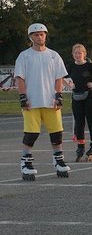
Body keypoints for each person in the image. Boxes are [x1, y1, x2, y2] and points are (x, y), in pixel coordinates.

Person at [15, 23, 70, 180]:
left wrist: (58, 95)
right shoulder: (24, 56)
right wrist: (23, 97)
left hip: (50, 101)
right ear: (31, 37)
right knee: (31, 134)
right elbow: (20, 78)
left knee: (56, 133)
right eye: (36, 34)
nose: (39, 37)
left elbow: (58, 77)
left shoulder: (54, 55)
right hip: (32, 102)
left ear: (46, 35)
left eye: (42, 34)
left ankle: (58, 161)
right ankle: (26, 163)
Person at [65, 44, 92, 162]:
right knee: (79, 122)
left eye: (80, 53)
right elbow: (59, 78)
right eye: (75, 53)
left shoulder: (90, 66)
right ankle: (80, 147)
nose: (78, 55)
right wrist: (70, 86)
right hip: (76, 97)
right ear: (72, 54)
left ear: (84, 54)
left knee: (91, 122)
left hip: (90, 97)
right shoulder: (70, 67)